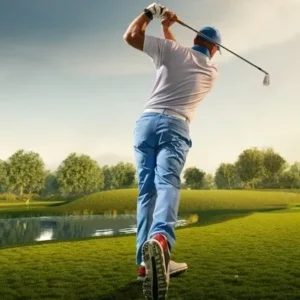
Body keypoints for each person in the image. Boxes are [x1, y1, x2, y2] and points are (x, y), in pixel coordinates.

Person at [123, 2, 221, 299]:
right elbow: (186, 57)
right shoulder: (211, 72)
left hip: (146, 122)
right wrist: (167, 29)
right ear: (215, 50)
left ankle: (144, 262)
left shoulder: (174, 51)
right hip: (175, 126)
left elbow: (131, 35)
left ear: (195, 40)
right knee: (167, 185)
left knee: (147, 190)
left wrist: (153, 15)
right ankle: (161, 243)